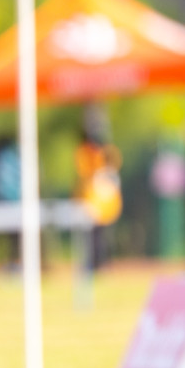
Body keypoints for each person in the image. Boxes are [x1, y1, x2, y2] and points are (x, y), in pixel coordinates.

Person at [74, 112, 123, 274]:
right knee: (90, 235)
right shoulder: (84, 152)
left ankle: (102, 262)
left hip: (103, 201)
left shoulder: (107, 151)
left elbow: (113, 167)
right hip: (90, 199)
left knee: (101, 235)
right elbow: (84, 173)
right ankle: (93, 263)